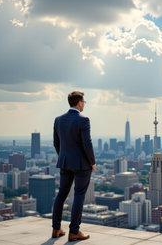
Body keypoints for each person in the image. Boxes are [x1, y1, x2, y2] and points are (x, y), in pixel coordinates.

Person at [51, 91, 96, 242]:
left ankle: (56, 229)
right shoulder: (83, 120)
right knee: (79, 195)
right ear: (79, 102)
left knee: (61, 194)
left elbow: (56, 143)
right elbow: (87, 144)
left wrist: (63, 157)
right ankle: (74, 231)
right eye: (84, 101)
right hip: (81, 164)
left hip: (65, 162)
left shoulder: (58, 120)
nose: (84, 104)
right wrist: (92, 162)